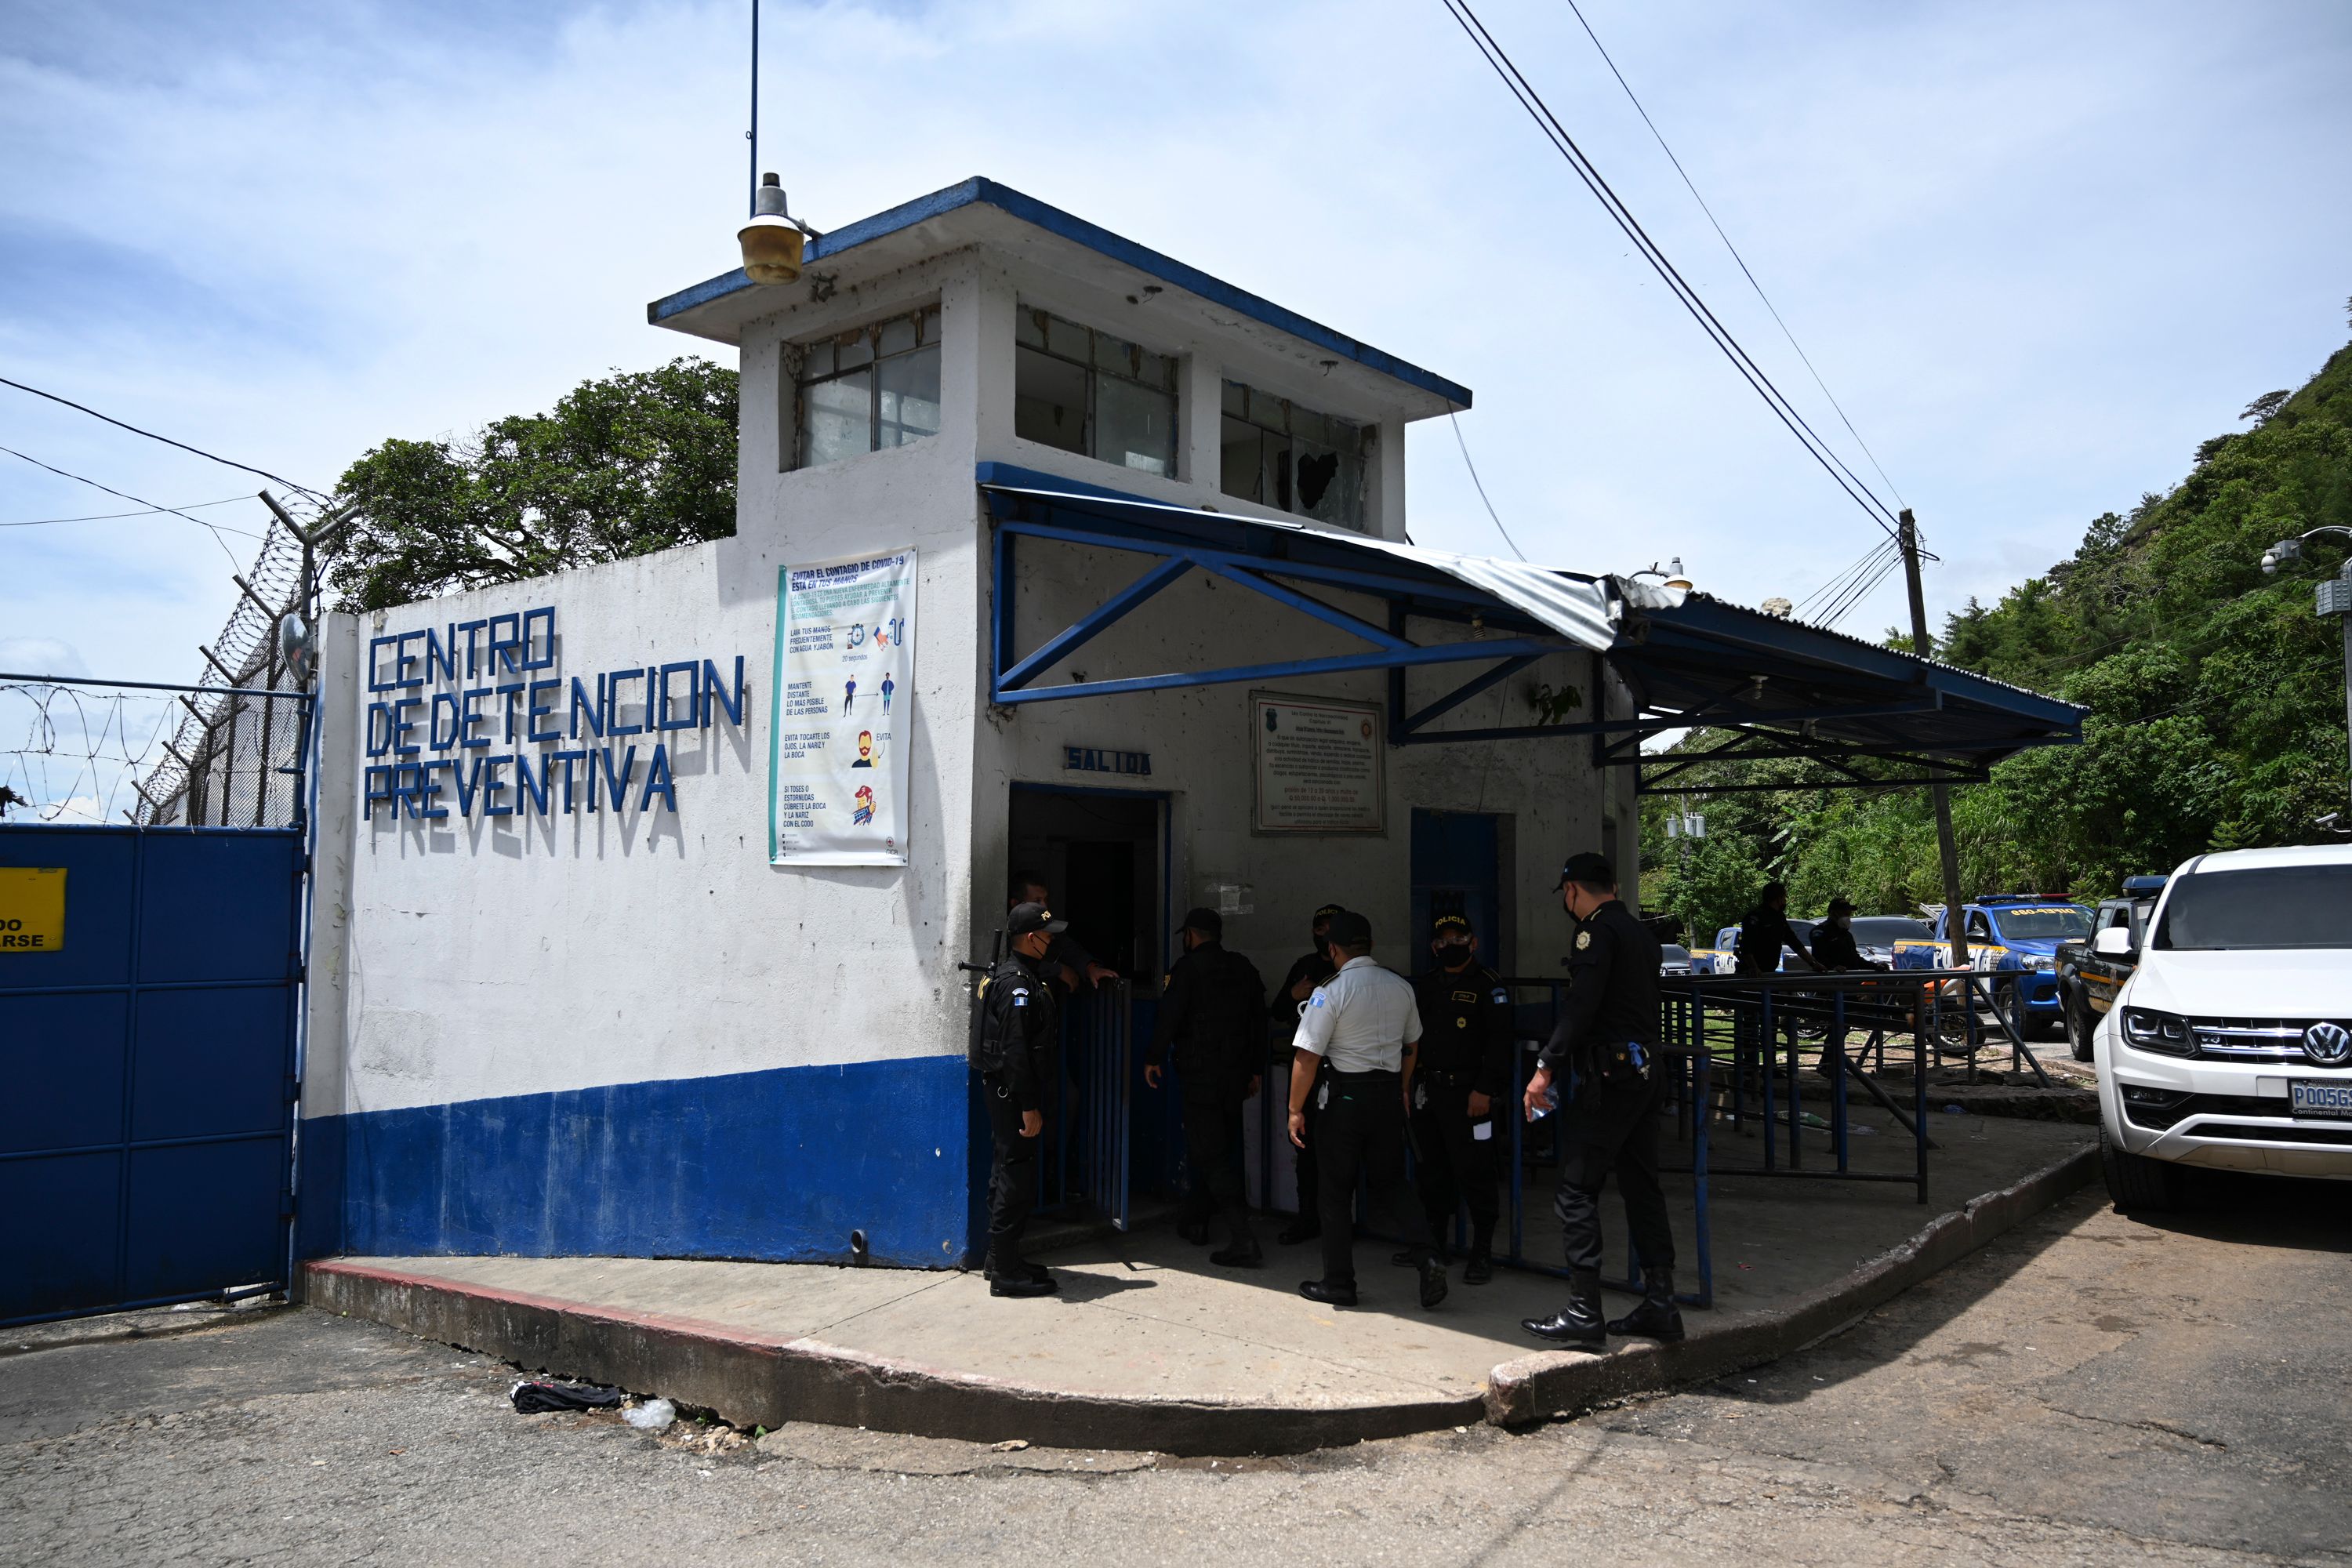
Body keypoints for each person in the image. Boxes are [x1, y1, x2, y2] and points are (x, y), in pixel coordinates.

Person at [1520, 852, 1680, 1348]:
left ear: (1573, 890)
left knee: (1575, 1190)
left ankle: (1584, 1313)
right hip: (1647, 1071)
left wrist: (1545, 1067)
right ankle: (1661, 1304)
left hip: (1612, 1078)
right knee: (1641, 1186)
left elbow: (1582, 1004)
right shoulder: (1640, 932)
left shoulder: (1594, 932)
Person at [1286, 910, 1447, 1311]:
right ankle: (1428, 1255)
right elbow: (1411, 1047)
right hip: (1388, 1098)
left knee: (1335, 1193)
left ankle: (1339, 1284)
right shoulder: (1400, 987)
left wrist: (1294, 1109)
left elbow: (1307, 1056)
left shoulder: (1330, 991)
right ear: (1370, 946)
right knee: (1392, 1182)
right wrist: (1404, 1088)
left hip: (1345, 1102)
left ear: (1333, 949)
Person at [1145, 908, 1268, 1267]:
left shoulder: (1187, 970)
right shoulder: (1243, 967)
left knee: (1211, 1153)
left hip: (1202, 1078)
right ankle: (1196, 1222)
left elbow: (1170, 1016)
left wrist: (1152, 1057)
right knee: (1214, 1147)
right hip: (1235, 1076)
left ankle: (1243, 1239)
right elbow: (1258, 1020)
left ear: (1191, 936)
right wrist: (1255, 1069)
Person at [1405, 914, 1514, 1285]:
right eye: (1443, 939)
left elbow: (1500, 1043)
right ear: (1434, 945)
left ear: (1473, 942)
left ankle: (1481, 1251)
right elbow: (1413, 1040)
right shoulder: (1428, 984)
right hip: (1429, 1092)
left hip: (1470, 1096)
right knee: (1432, 1171)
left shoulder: (1488, 985)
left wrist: (1484, 1090)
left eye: (1458, 937)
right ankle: (1436, 1245)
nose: (1450, 944)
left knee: (1476, 1172)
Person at [973, 901, 1065, 1298]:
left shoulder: (1018, 976)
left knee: (1005, 1171)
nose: (1052, 941)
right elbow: (1015, 1050)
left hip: (1006, 1091)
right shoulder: (1018, 985)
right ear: (1032, 939)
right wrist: (1028, 1104)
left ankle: (1000, 1258)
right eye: (1048, 935)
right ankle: (1006, 1273)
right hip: (1013, 1095)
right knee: (1015, 1179)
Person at [1271, 903, 1345, 1243]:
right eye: (1320, 928)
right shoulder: (1305, 966)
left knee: (1342, 1151)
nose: (1326, 934)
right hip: (1308, 1070)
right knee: (1305, 1149)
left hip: (1344, 1070)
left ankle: (1340, 1224)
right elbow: (1278, 1010)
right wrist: (1294, 994)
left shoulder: (1351, 969)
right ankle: (1307, 1219)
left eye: (1333, 927)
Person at [1008, 872, 1119, 993]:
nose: (1044, 906)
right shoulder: (1009, 932)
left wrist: (1090, 968)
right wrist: (1057, 969)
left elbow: (1069, 949)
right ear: (1015, 904)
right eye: (1037, 901)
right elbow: (1016, 960)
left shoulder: (1046, 924)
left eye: (1045, 900)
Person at [1735, 880, 1821, 977]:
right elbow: (1746, 945)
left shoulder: (1779, 917)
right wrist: (1754, 967)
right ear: (1779, 898)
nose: (1785, 901)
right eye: (1784, 898)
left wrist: (1813, 963)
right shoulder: (1755, 917)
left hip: (1769, 972)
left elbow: (1793, 942)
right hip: (1752, 974)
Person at [1808, 897, 1882, 971]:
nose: (1848, 918)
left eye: (1849, 915)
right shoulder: (1821, 932)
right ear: (1833, 913)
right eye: (1845, 914)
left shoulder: (1847, 935)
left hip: (1850, 979)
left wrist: (1876, 966)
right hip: (1831, 979)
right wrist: (1833, 968)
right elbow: (1819, 958)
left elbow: (1855, 959)